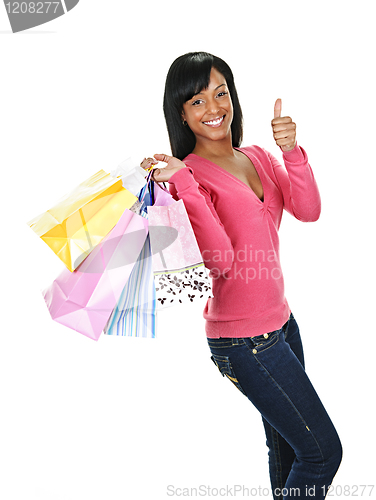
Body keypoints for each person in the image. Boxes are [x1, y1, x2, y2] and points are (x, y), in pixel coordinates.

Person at [141, 52, 342, 500]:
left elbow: (307, 211)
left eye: (221, 92)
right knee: (323, 454)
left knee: (290, 452)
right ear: (181, 114)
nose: (214, 108)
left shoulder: (256, 156)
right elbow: (221, 261)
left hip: (283, 327)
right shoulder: (185, 177)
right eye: (197, 101)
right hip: (243, 342)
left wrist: (291, 153)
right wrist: (188, 185)